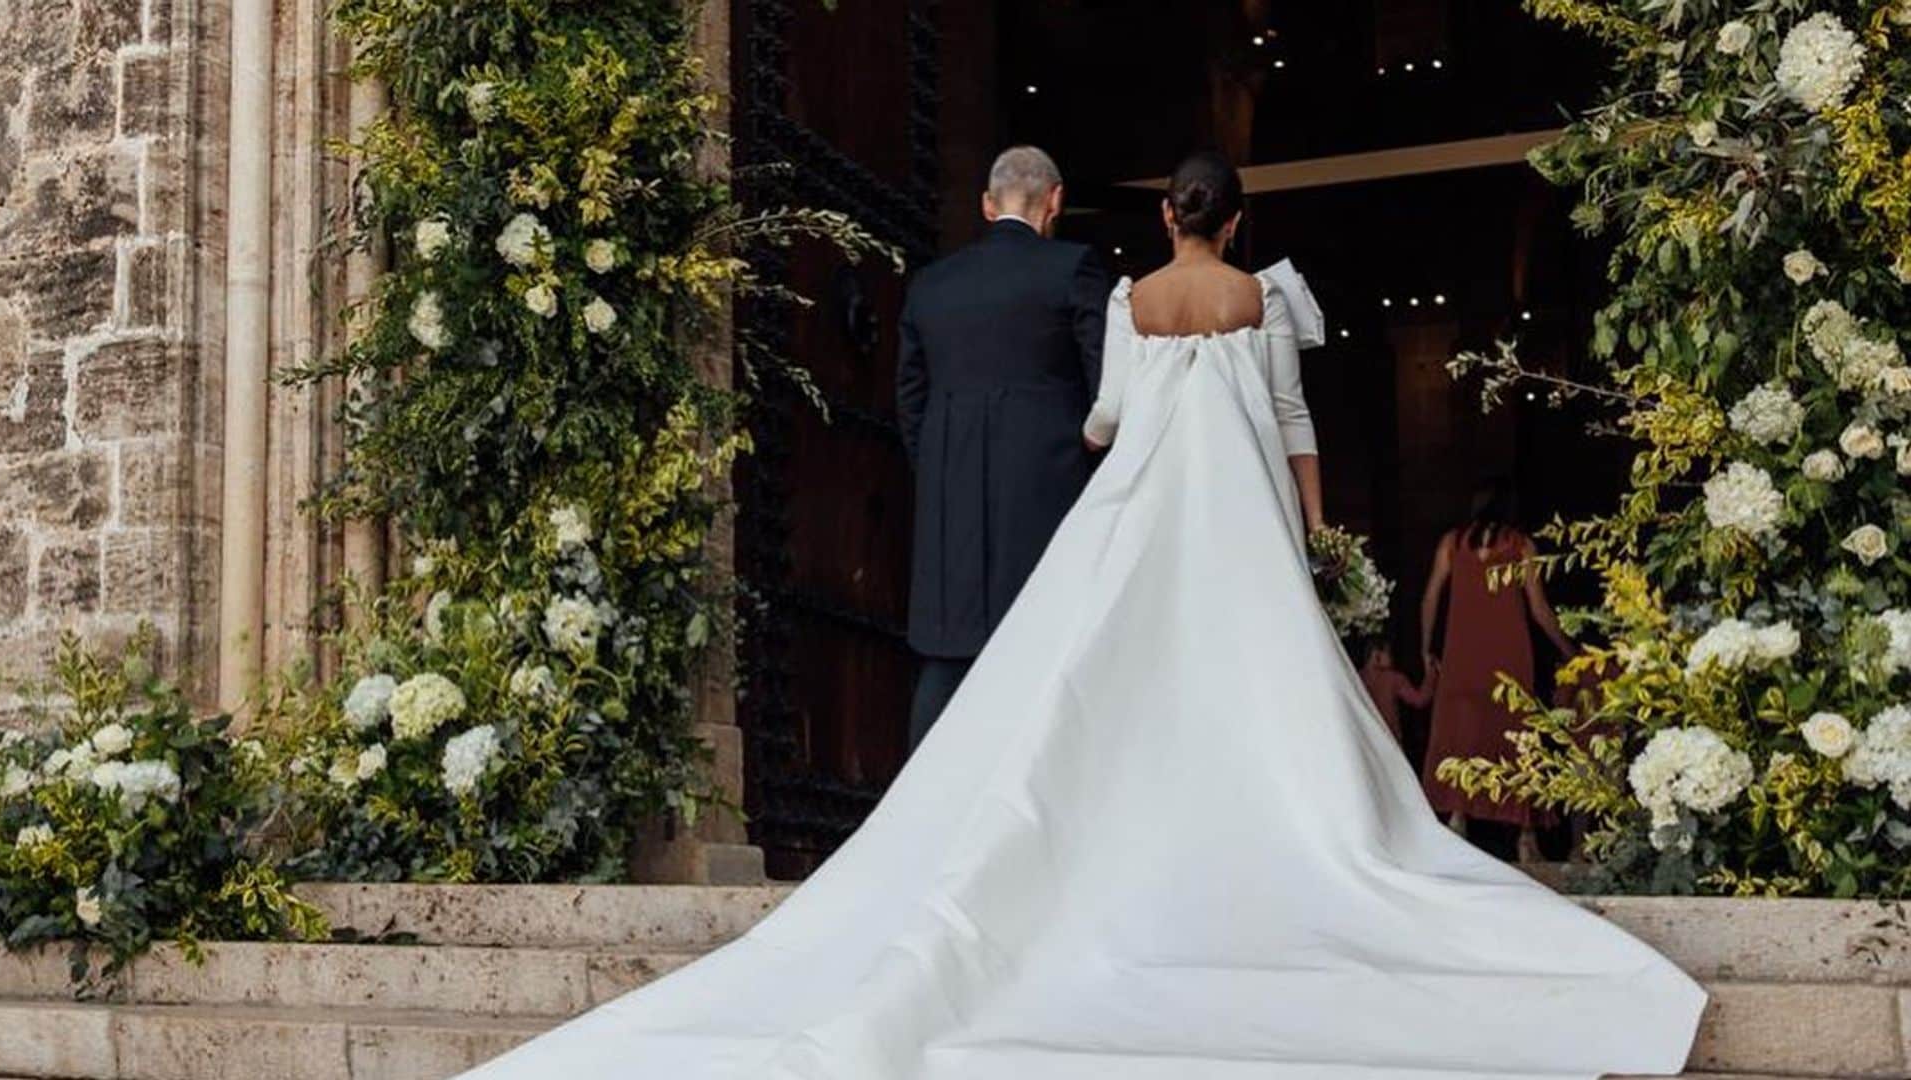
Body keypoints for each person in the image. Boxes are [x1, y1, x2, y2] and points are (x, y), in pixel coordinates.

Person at [458, 153, 1701, 1080]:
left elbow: (1106, 422)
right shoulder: (1263, 302)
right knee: (1257, 684)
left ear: (1167, 214)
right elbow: (1292, 425)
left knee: (1105, 672)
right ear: (1240, 218)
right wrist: (1318, 529)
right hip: (1243, 524)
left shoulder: (1132, 298)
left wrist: (1110, 419)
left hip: (1150, 509)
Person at [895, 146, 1112, 748]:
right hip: (1049, 498)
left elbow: (910, 404)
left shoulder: (931, 286)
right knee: (1050, 660)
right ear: (1056, 201)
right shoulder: (1074, 269)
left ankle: (921, 822)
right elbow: (1108, 393)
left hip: (950, 506)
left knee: (945, 665)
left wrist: (940, 469)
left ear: (988, 206)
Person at [1419, 479, 1578, 864]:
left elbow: (1430, 598)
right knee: (1515, 736)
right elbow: (1539, 611)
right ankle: (1525, 836)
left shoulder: (1451, 544)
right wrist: (1569, 650)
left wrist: (1426, 649)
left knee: (1461, 734)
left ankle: (1458, 819)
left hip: (1462, 655)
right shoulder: (1521, 546)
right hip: (1509, 658)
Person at [1358, 641, 1437, 744]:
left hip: (1365, 739)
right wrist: (1431, 672)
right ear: (1376, 655)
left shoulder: (1356, 678)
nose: (1392, 658)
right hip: (1389, 738)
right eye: (1388, 653)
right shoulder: (1393, 679)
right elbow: (1420, 700)